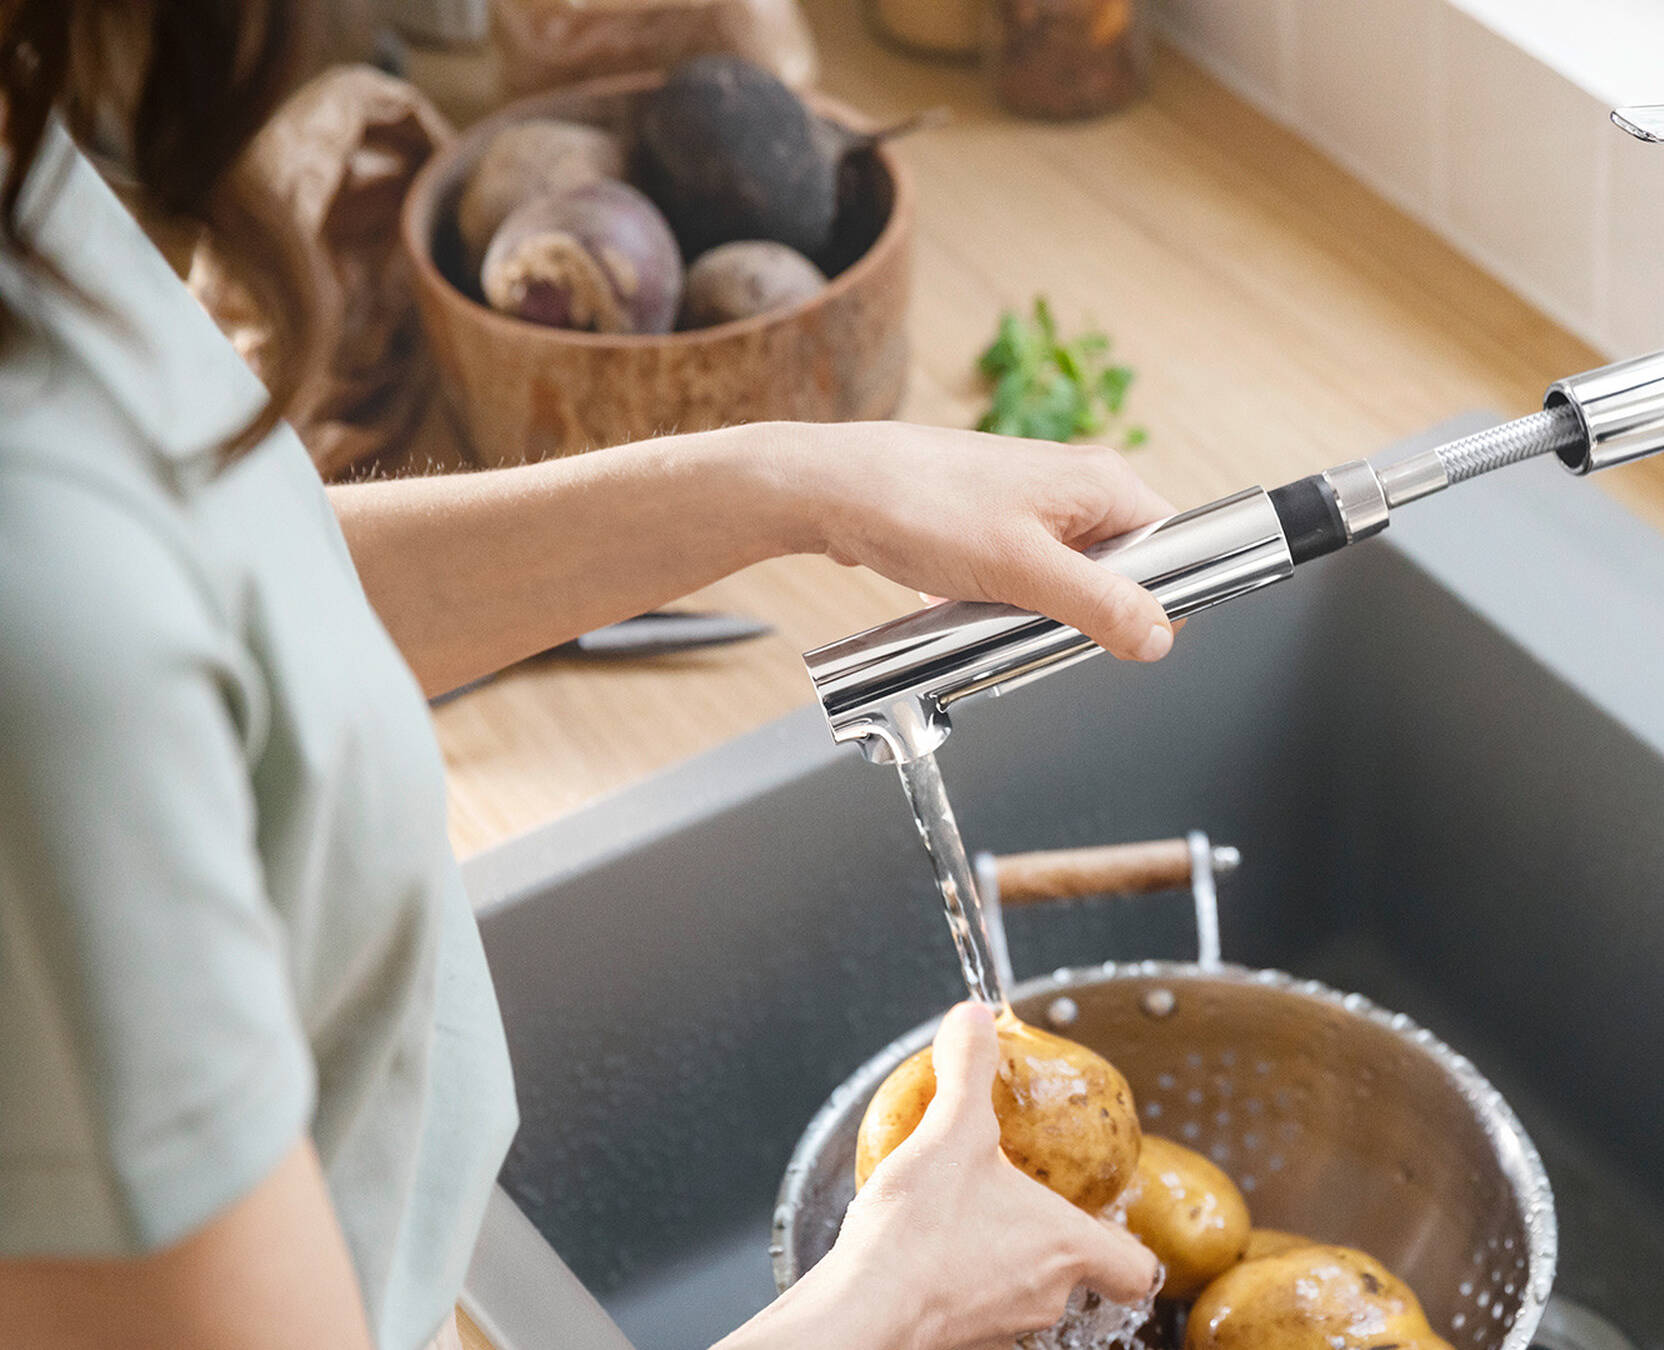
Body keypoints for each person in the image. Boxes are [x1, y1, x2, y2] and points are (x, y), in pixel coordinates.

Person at [0, 3, 1163, 1347]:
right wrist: (893, 1303)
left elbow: (222, 597)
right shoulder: (53, 649)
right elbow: (95, 640)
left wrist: (797, 481)